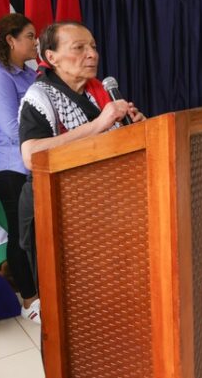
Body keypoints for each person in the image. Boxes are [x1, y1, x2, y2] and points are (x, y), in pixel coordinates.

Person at [18, 22, 145, 323]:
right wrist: (99, 125)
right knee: (68, 309)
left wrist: (138, 127)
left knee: (105, 299)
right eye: (79, 48)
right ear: (52, 56)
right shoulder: (39, 97)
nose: (92, 55)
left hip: (100, 207)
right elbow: (31, 155)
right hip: (55, 209)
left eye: (93, 47)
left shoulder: (99, 91)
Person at [0, 14, 41, 323]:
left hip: (38, 165)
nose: (36, 41)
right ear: (11, 40)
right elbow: (12, 129)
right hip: (11, 169)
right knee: (21, 236)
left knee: (39, 235)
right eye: (30, 36)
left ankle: (43, 290)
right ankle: (29, 301)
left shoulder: (30, 75)